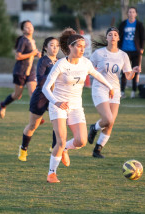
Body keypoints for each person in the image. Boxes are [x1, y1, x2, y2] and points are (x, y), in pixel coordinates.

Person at [42, 29, 114, 183]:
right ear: (70, 47)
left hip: (75, 107)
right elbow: (45, 88)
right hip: (58, 106)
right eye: (79, 46)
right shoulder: (60, 64)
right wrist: (56, 102)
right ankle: (51, 173)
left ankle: (65, 150)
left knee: (81, 141)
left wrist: (110, 87)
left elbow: (96, 74)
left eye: (83, 46)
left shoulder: (85, 63)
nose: (82, 49)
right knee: (60, 140)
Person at [87, 27, 139, 158]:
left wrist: (133, 71)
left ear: (118, 38)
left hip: (115, 90)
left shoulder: (123, 55)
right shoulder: (98, 53)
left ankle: (97, 150)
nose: (113, 36)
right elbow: (87, 67)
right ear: (107, 38)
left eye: (115, 34)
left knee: (110, 123)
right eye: (110, 34)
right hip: (100, 87)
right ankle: (94, 128)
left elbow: (128, 76)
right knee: (107, 119)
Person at [18, 36, 60, 161]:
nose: (55, 48)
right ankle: (23, 149)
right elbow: (40, 79)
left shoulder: (60, 61)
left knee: (58, 123)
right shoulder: (43, 60)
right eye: (52, 45)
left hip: (55, 97)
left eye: (57, 45)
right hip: (41, 96)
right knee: (33, 125)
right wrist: (51, 83)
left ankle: (54, 147)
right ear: (46, 48)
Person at [0, 20, 41, 119]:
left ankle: (36, 116)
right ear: (22, 30)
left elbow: (33, 53)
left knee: (33, 93)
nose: (29, 28)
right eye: (26, 27)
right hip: (20, 71)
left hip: (31, 71)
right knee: (17, 95)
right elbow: (18, 56)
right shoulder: (23, 40)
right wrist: (32, 54)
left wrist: (38, 55)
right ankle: (3, 104)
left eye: (30, 26)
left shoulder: (32, 40)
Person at [118, 6, 145, 98]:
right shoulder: (123, 24)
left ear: (136, 14)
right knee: (124, 71)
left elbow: (143, 37)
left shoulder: (139, 24)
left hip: (135, 51)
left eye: (133, 12)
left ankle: (134, 91)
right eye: (130, 12)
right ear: (127, 14)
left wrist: (142, 47)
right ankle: (122, 91)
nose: (131, 14)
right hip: (124, 51)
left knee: (135, 71)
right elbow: (118, 36)